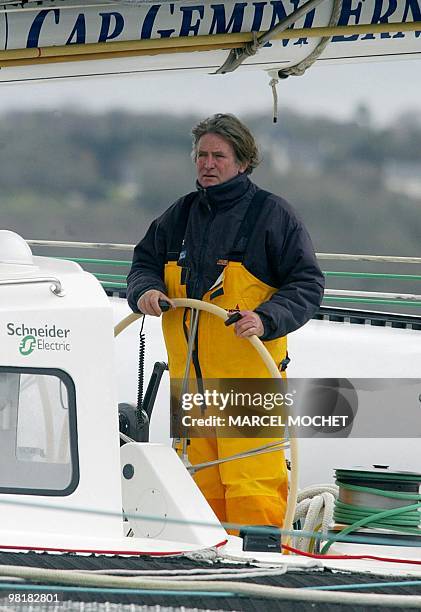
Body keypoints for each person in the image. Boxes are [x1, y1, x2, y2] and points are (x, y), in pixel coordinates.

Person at [127, 113, 324, 529]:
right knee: (198, 495)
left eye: (219, 155)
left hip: (248, 389)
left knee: (254, 491)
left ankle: (262, 578)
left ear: (244, 162)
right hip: (192, 392)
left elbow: (307, 285)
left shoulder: (274, 217)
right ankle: (202, 573)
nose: (208, 164)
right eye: (201, 155)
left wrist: (267, 318)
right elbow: (143, 263)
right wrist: (143, 290)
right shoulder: (177, 217)